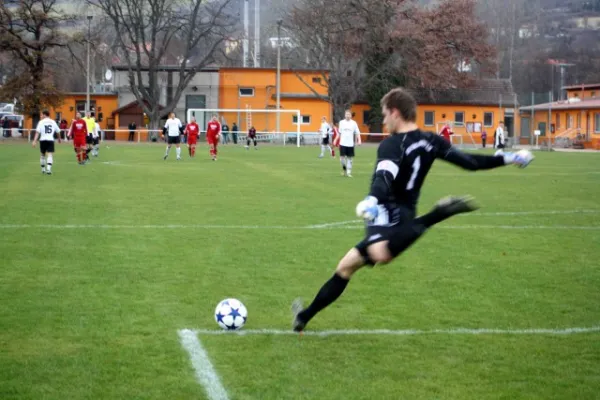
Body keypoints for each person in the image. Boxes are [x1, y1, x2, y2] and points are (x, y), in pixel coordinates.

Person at [291, 87, 534, 332]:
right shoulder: (431, 141)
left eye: (385, 114)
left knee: (379, 253)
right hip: (404, 216)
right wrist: (511, 158)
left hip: (386, 213)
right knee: (346, 266)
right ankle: (303, 317)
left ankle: (435, 215)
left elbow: (384, 176)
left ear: (395, 112)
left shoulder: (392, 145)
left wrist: (373, 200)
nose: (384, 120)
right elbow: (471, 162)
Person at [32, 110, 61, 175]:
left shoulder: (41, 122)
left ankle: (43, 169)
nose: (41, 116)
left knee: (42, 155)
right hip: (50, 140)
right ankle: (48, 169)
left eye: (42, 115)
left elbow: (37, 132)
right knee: (50, 154)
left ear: (45, 115)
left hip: (42, 140)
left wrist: (34, 141)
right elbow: (58, 131)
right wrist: (59, 139)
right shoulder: (53, 122)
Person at [338, 110, 361, 177]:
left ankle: (348, 172)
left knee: (350, 158)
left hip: (350, 144)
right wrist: (336, 140)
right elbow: (339, 133)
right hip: (342, 143)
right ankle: (344, 168)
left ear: (351, 115)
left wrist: (359, 140)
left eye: (349, 114)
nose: (348, 115)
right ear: (345, 115)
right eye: (346, 114)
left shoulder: (354, 123)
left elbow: (357, 132)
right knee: (342, 158)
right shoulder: (341, 122)